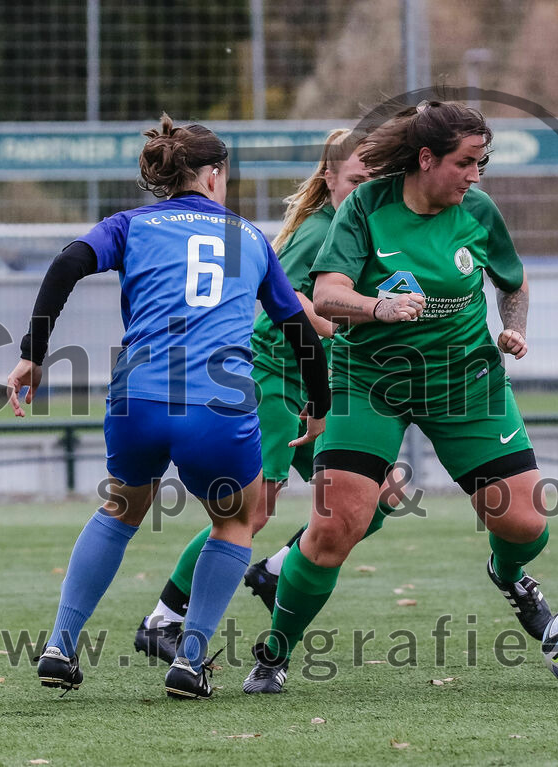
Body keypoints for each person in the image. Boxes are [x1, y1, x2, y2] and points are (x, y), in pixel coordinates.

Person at [5, 113, 330, 700]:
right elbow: (297, 327)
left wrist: (32, 354)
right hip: (219, 405)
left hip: (138, 399)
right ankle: (190, 660)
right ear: (213, 175)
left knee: (119, 511)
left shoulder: (130, 225)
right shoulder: (249, 237)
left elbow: (66, 263)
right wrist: (320, 401)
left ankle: (60, 644)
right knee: (235, 521)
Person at [241, 100, 552, 693]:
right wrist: (376, 307)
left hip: (465, 382)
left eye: (482, 163)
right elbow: (329, 294)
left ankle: (509, 575)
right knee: (335, 528)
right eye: (467, 163)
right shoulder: (365, 206)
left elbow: (513, 282)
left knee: (525, 524)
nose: (476, 176)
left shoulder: (480, 211)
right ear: (427, 158)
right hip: (368, 383)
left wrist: (514, 325)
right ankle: (274, 652)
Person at [133, 129, 404, 671]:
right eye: (355, 179)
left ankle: (277, 568)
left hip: (313, 388)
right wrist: (351, 319)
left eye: (375, 180)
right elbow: (294, 298)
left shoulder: (367, 229)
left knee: (381, 495)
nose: (365, 189)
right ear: (328, 180)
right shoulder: (323, 230)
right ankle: (163, 619)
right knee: (250, 513)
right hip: (275, 377)